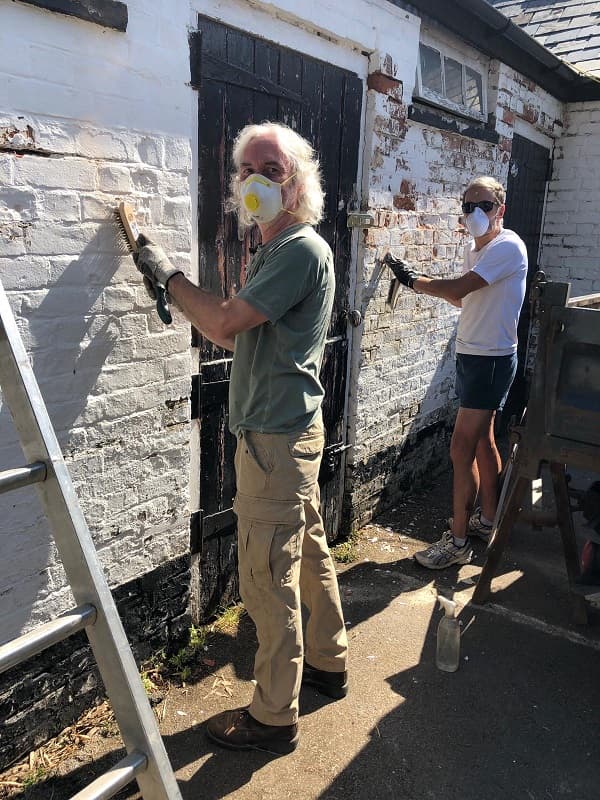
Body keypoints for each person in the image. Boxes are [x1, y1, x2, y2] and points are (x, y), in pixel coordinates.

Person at [134, 122, 348, 755]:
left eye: (271, 170)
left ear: (299, 182)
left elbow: (225, 319)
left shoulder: (299, 249)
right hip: (291, 435)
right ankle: (330, 664)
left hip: (274, 444)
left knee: (266, 577)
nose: (256, 181)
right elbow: (236, 335)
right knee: (307, 554)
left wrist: (169, 278)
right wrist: (188, 302)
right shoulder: (277, 253)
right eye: (247, 170)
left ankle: (273, 717)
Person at [385, 175, 527, 570]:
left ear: (500, 209)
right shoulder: (473, 249)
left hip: (491, 360)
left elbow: (459, 289)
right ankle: (486, 519)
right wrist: (432, 286)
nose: (475, 213)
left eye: (483, 206)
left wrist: (413, 280)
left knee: (459, 448)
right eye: (468, 207)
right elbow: (461, 300)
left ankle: (459, 542)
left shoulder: (507, 246)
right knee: (483, 442)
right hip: (472, 354)